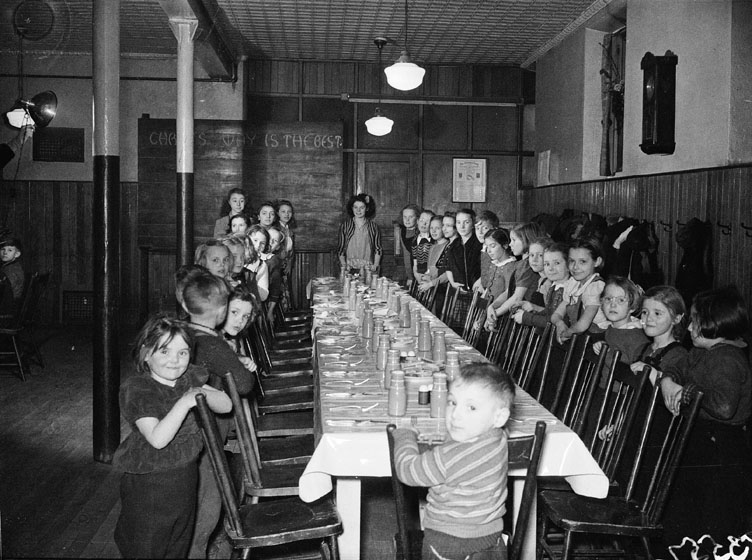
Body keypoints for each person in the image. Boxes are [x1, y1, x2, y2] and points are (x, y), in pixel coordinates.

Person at [113, 315, 232, 559]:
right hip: (150, 486)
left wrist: (200, 391)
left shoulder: (187, 378)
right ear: (146, 354)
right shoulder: (138, 388)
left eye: (183, 353)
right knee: (146, 548)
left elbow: (227, 404)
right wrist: (186, 401)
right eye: (164, 351)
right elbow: (158, 439)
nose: (175, 361)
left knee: (178, 544)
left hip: (184, 478)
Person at [657, 286, 752, 543]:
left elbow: (723, 407)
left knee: (712, 518)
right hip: (700, 438)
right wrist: (668, 382)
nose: (688, 329)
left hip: (722, 448)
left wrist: (688, 392)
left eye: (695, 322)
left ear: (714, 324)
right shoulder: (701, 351)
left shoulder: (728, 359)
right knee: (687, 507)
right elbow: (676, 368)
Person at [392, 363, 514, 560]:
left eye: (471, 407)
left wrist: (404, 437)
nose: (456, 414)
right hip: (491, 538)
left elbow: (407, 470)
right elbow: (465, 456)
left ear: (499, 417)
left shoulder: (447, 458)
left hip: (447, 541)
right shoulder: (499, 438)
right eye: (452, 402)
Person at [178, 268, 253, 559]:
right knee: (205, 513)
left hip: (185, 434)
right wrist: (238, 362)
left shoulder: (184, 332)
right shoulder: (214, 343)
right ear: (222, 311)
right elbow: (243, 385)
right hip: (205, 439)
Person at [550, 237, 609, 343]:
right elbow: (556, 314)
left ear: (597, 262)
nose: (575, 267)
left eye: (582, 262)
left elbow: (583, 325)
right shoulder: (573, 284)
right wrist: (560, 324)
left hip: (596, 339)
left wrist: (567, 333)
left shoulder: (595, 287)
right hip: (578, 335)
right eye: (572, 261)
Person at [485, 223, 541, 329]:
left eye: (514, 240)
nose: (510, 244)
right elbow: (508, 292)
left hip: (526, 321)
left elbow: (517, 297)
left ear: (526, 240)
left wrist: (494, 314)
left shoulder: (527, 265)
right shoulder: (521, 263)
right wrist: (492, 306)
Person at [512, 241, 570, 328]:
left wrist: (527, 317)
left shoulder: (570, 290)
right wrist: (534, 307)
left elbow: (559, 322)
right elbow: (550, 313)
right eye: (547, 264)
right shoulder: (554, 287)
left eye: (557, 263)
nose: (550, 268)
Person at [593, 276, 649, 364]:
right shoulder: (611, 328)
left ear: (632, 307)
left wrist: (606, 353)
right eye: (608, 299)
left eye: (621, 300)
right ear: (601, 303)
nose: (613, 305)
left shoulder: (636, 337)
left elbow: (633, 371)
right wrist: (602, 346)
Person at [337, 193, 382, 276]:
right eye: (355, 207)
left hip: (368, 269)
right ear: (352, 208)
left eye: (362, 208)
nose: (358, 210)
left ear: (367, 208)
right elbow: (341, 249)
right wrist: (343, 264)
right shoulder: (346, 226)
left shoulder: (373, 227)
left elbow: (378, 248)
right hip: (349, 268)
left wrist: (375, 265)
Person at [398, 204, 420, 285]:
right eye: (405, 217)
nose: (407, 220)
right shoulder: (402, 231)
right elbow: (406, 255)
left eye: (410, 217)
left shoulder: (420, 232)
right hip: (410, 271)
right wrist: (410, 277)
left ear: (417, 218)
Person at [411, 209, 435, 279]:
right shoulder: (414, 241)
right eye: (421, 220)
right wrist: (416, 274)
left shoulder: (435, 241)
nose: (424, 224)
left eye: (428, 222)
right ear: (417, 221)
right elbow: (415, 262)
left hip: (431, 277)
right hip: (419, 276)